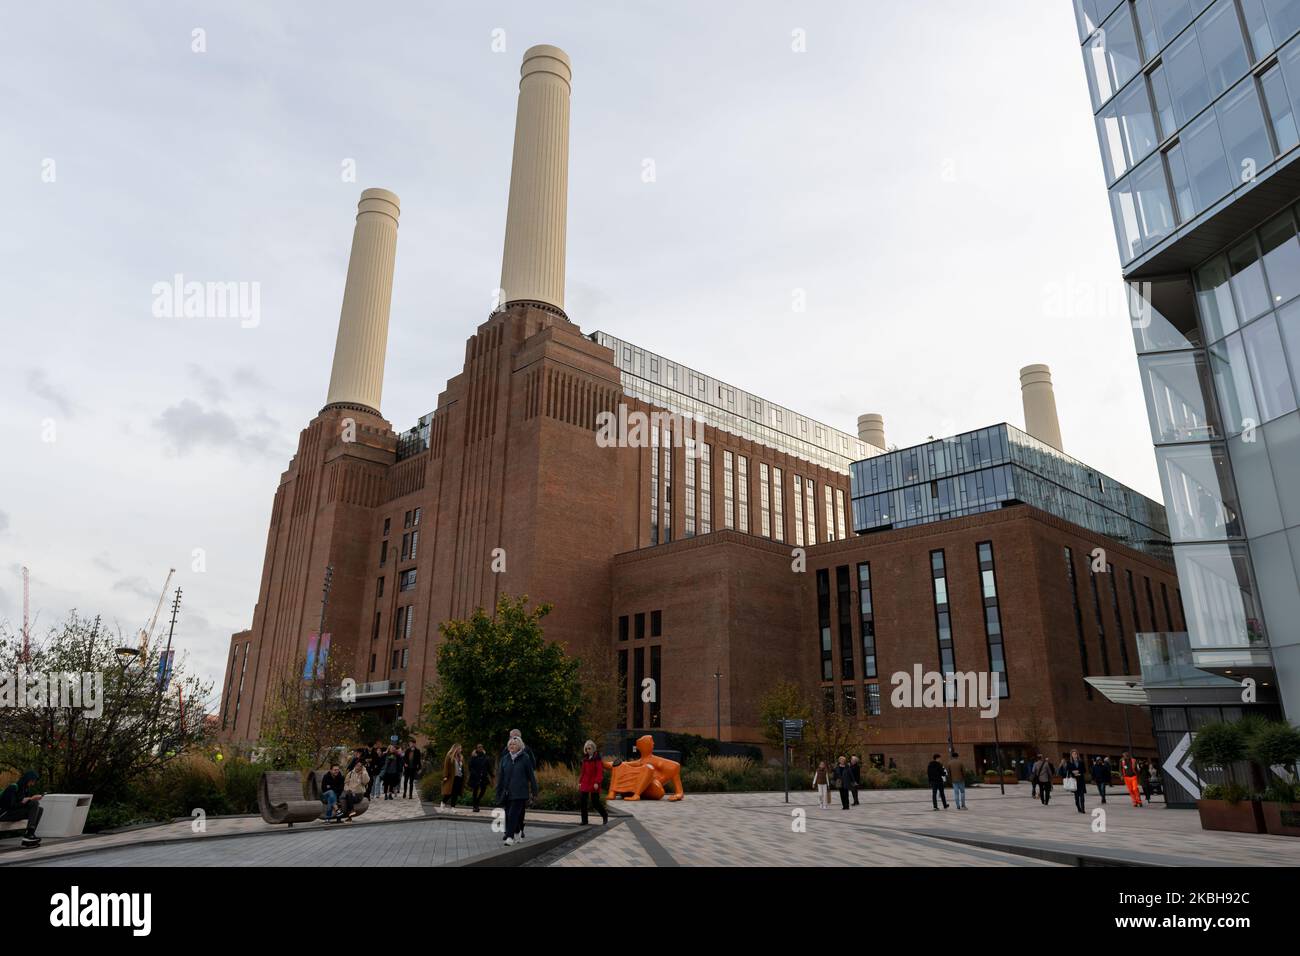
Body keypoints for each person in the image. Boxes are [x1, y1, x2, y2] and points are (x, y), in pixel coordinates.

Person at [497, 735, 538, 845]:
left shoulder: (525, 758)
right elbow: (500, 777)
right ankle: (518, 831)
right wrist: (498, 791)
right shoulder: (505, 759)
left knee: (512, 814)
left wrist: (534, 791)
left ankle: (510, 838)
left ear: (519, 746)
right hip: (508, 792)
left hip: (520, 792)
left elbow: (531, 775)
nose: (511, 746)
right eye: (510, 744)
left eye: (514, 744)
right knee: (510, 814)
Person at [0, 771, 44, 848]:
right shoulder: (13, 787)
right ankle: (29, 835)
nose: (32, 784)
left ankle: (29, 835)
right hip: (4, 814)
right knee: (34, 803)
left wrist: (30, 799)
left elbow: (24, 804)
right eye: (32, 781)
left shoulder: (25, 790)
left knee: (39, 809)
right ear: (27, 779)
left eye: (34, 782)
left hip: (13, 813)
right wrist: (29, 799)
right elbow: (10, 806)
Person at [578, 740, 608, 825]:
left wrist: (597, 782)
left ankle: (604, 815)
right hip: (585, 782)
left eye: (589, 748)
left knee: (595, 802)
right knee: (583, 801)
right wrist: (580, 782)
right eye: (586, 749)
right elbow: (583, 772)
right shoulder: (585, 759)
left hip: (594, 782)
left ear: (593, 749)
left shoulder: (597, 759)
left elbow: (599, 772)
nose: (588, 750)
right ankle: (584, 821)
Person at [440, 743, 465, 811]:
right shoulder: (449, 756)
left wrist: (464, 776)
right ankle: (443, 802)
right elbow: (446, 766)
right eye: (460, 748)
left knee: (455, 793)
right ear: (456, 749)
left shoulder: (461, 757)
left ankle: (453, 807)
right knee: (449, 792)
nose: (461, 750)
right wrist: (445, 776)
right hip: (451, 777)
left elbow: (463, 767)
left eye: (461, 748)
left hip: (459, 777)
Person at [468, 744, 492, 812]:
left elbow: (488, 767)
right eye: (479, 747)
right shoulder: (473, 757)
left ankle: (477, 801)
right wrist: (474, 773)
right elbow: (470, 767)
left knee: (483, 790)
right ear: (476, 748)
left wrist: (492, 775)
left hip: (483, 777)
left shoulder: (485, 757)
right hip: (475, 777)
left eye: (481, 747)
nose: (480, 748)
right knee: (475, 791)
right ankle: (475, 806)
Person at [1064, 749, 1087, 814]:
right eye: (1073, 754)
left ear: (1077, 755)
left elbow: (1084, 770)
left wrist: (1079, 772)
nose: (1075, 755)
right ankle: (1078, 807)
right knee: (1077, 797)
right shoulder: (1069, 763)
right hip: (1074, 782)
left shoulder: (1081, 762)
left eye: (1076, 754)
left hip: (1081, 781)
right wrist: (1072, 772)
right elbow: (1067, 771)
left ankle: (1083, 809)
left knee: (1082, 796)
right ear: (1071, 755)